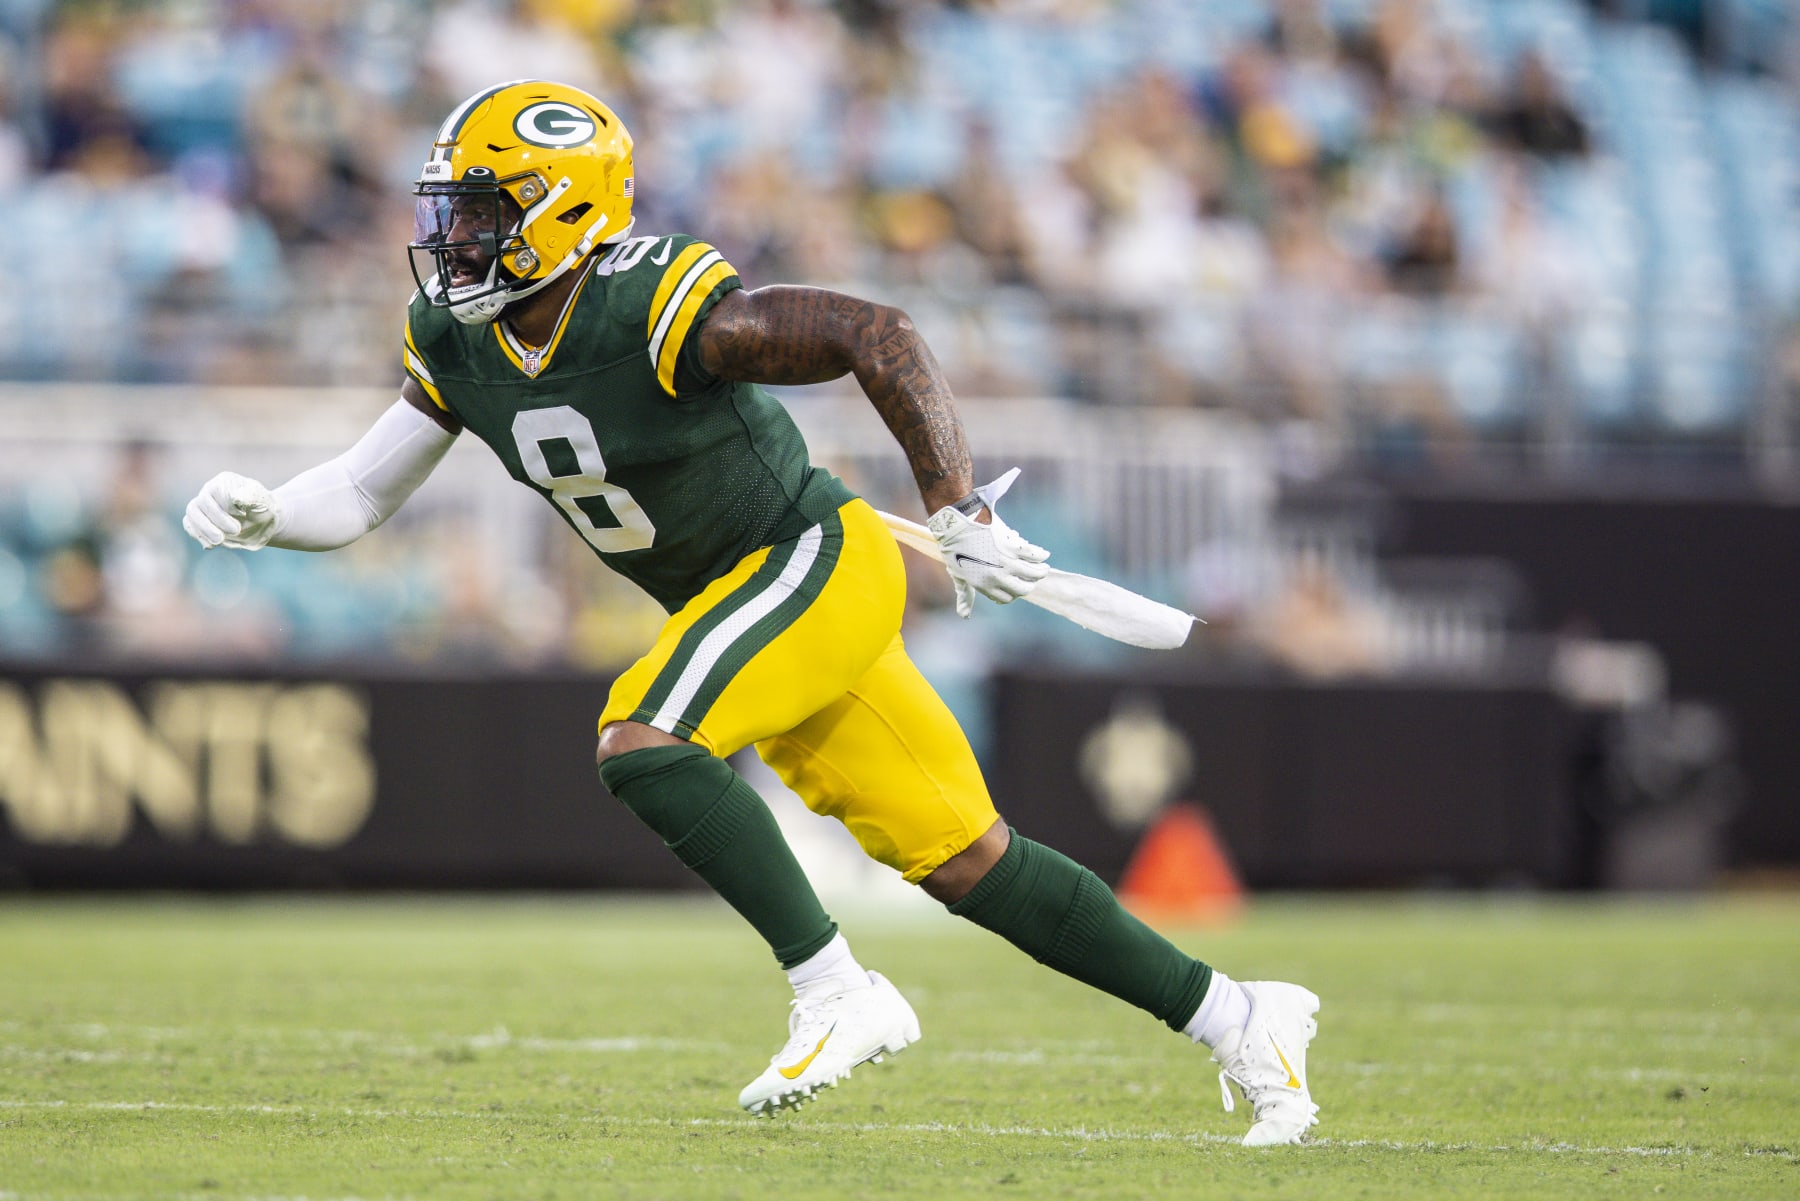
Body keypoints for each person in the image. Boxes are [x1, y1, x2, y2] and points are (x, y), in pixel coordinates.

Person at [182, 81, 1322, 1145]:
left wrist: (956, 501)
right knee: (972, 862)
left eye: (484, 212)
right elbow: (365, 488)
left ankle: (836, 989)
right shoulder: (457, 335)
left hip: (810, 559)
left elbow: (876, 332)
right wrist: (267, 511)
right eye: (452, 213)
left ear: (565, 210)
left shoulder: (652, 301)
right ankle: (1237, 1015)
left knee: (644, 739)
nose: (455, 239)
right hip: (749, 601)